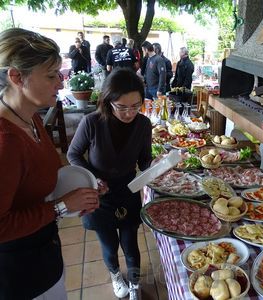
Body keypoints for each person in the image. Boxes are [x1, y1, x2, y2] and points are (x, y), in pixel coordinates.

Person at [0, 28, 99, 300]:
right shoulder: (5, 141)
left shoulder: (29, 118)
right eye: (51, 76)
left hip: (43, 252)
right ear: (17, 77)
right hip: (19, 274)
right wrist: (63, 205)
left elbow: (35, 180)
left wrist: (83, 189)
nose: (61, 83)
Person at [67, 68, 152, 300]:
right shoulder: (92, 122)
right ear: (108, 101)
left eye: (136, 106)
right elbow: (73, 154)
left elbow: (144, 160)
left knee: (130, 242)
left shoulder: (143, 124)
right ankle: (115, 275)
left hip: (127, 190)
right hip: (97, 194)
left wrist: (158, 167)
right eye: (122, 107)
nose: (129, 113)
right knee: (109, 244)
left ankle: (134, 283)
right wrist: (92, 179)